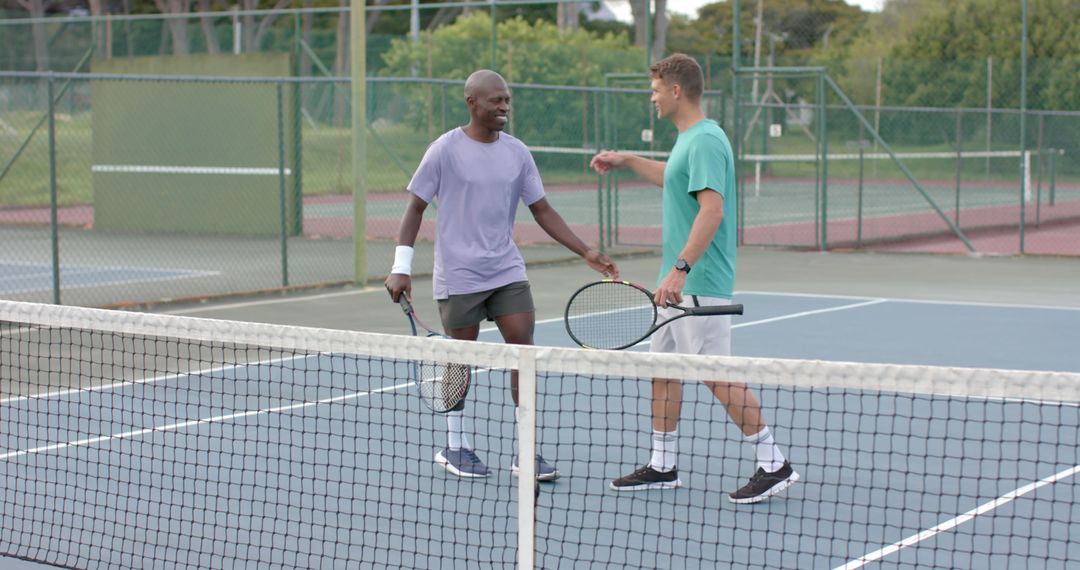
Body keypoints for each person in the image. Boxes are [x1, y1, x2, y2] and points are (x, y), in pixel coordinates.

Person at [385, 69, 619, 481]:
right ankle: (455, 446)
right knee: (463, 357)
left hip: (506, 271)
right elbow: (414, 209)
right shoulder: (443, 150)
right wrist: (400, 268)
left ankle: (525, 451)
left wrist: (586, 251)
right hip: (458, 275)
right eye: (496, 101)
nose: (504, 107)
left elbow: (542, 210)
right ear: (472, 102)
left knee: (522, 351)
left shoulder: (517, 153)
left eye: (507, 100)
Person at [589, 54, 798, 503]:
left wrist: (680, 270)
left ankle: (773, 462)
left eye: (656, 90)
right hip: (680, 285)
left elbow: (712, 209)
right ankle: (662, 465)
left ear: (676, 90)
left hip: (699, 283)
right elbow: (672, 178)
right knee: (662, 371)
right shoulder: (689, 140)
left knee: (716, 376)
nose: (653, 98)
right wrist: (627, 160)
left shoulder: (704, 140)